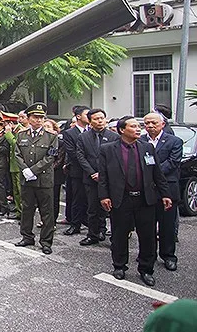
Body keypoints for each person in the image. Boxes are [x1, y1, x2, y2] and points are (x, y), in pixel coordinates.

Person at [98, 116, 171, 286]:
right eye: (133, 126)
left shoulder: (147, 148)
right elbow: (103, 176)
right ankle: (119, 266)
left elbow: (157, 174)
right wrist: (104, 196)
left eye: (139, 126)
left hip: (145, 199)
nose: (138, 129)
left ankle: (146, 269)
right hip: (121, 198)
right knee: (119, 234)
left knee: (148, 236)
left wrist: (165, 194)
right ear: (122, 130)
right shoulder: (108, 149)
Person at [13, 103, 59, 254]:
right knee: (27, 209)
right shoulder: (21, 135)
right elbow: (17, 154)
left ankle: (46, 241)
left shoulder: (51, 136)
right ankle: (27, 237)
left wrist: (33, 170)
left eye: (41, 117)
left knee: (47, 212)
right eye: (35, 117)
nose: (38, 120)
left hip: (44, 180)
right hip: (26, 179)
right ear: (29, 118)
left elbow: (50, 157)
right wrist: (25, 169)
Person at [141, 112, 183, 271]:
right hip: (146, 190)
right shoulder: (140, 141)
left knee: (167, 226)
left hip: (167, 189)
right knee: (147, 226)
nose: (150, 126)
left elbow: (173, 163)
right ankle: (148, 255)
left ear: (163, 124)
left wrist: (152, 174)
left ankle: (168, 256)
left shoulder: (174, 141)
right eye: (146, 123)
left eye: (153, 123)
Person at [76, 108, 119, 246]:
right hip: (91, 178)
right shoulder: (83, 137)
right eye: (96, 119)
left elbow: (116, 158)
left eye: (102, 118)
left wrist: (103, 173)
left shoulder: (114, 137)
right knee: (92, 208)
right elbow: (81, 156)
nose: (100, 121)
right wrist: (92, 173)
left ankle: (111, 234)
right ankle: (93, 234)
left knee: (110, 208)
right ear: (90, 121)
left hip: (109, 178)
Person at [62, 105, 90, 236]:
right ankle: (75, 224)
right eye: (86, 115)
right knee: (76, 198)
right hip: (77, 171)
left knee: (91, 200)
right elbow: (73, 153)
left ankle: (94, 225)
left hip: (93, 172)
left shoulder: (93, 132)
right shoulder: (69, 133)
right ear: (78, 116)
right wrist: (88, 166)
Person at [44, 118, 67, 225]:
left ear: (55, 129)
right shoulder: (40, 141)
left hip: (54, 174)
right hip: (41, 173)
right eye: (44, 127)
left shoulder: (60, 143)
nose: (46, 129)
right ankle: (44, 219)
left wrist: (47, 168)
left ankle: (52, 221)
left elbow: (59, 160)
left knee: (53, 198)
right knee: (43, 199)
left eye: (48, 127)